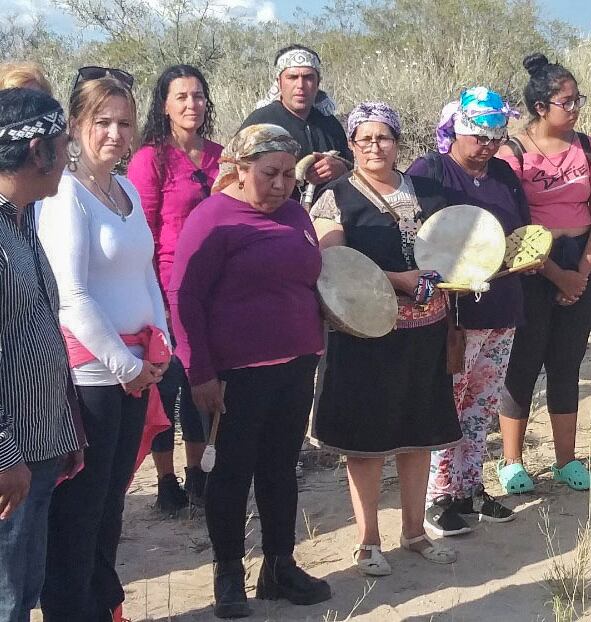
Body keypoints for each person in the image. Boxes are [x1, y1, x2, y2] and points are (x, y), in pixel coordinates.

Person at [169, 123, 331, 618]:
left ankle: (278, 566)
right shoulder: (212, 218)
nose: (281, 184)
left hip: (297, 363)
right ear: (241, 169)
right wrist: (199, 371)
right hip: (236, 373)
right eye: (269, 174)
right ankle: (228, 574)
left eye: (288, 175)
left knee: (281, 469)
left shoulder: (296, 214)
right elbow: (185, 298)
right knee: (232, 473)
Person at [36, 70, 169, 622]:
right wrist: (125, 365)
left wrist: (163, 346)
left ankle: (102, 604)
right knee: (81, 511)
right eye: (102, 122)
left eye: (124, 122)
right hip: (92, 374)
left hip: (137, 368)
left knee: (111, 505)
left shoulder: (127, 189)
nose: (115, 133)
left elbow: (146, 275)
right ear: (75, 126)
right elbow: (72, 295)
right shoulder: (65, 196)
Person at [310, 102, 462, 576]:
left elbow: (453, 246)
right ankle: (368, 541)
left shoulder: (428, 192)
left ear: (399, 142)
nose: (375, 146)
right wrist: (400, 280)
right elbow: (334, 267)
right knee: (368, 440)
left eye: (385, 137)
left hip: (427, 331)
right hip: (366, 334)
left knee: (419, 433)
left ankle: (414, 532)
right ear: (351, 145)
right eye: (365, 139)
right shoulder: (335, 197)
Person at [407, 87, 525, 536]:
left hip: (502, 303)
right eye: (480, 136)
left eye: (496, 136)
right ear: (455, 129)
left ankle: (469, 487)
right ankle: (438, 497)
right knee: (448, 402)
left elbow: (517, 228)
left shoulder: (504, 174)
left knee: (483, 402)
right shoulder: (430, 172)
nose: (488, 145)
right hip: (454, 311)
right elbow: (420, 237)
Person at [495, 54, 591, 494]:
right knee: (522, 363)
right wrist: (555, 274)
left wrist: (581, 271)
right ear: (541, 108)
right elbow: (509, 222)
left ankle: (567, 460)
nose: (576, 108)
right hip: (530, 264)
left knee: (566, 362)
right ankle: (512, 462)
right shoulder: (513, 153)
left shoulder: (589, 148)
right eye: (568, 102)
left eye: (578, 99)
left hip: (582, 256)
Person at [0, 87, 83, 622]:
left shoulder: (24, 224)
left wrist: (64, 433)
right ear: (38, 152)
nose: (67, 159)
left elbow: (39, 336)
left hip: (41, 447)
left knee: (23, 593)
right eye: (63, 146)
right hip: (10, 463)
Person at [128, 64, 223, 514]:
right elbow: (141, 228)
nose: (192, 105)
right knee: (167, 388)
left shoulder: (223, 156)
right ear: (164, 104)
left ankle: (199, 471)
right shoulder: (151, 158)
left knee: (204, 380)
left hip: (218, 289)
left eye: (199, 96)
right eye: (181, 97)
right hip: (165, 286)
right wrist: (153, 298)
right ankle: (165, 478)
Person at [241, 45, 351, 199]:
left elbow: (356, 172)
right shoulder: (259, 124)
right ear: (279, 82)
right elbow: (235, 177)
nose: (300, 85)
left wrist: (341, 169)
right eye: (292, 77)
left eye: (308, 77)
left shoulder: (330, 124)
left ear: (318, 82)